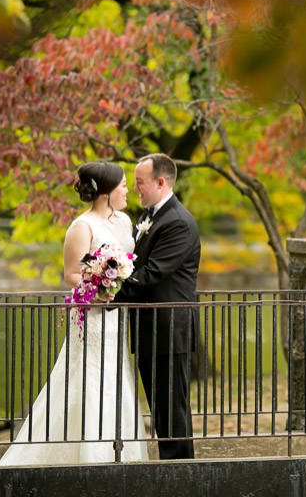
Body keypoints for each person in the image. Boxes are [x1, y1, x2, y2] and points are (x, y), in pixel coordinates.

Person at [0, 162, 149, 465]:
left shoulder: (123, 222)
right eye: (122, 185)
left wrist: (118, 283)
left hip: (115, 318)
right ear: (106, 192)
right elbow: (71, 273)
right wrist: (102, 288)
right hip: (92, 316)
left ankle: (119, 452)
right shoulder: (82, 226)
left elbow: (129, 261)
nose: (128, 190)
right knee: (89, 379)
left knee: (115, 378)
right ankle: (88, 454)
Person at [116, 153, 201, 460]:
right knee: (158, 407)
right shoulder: (148, 217)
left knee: (172, 410)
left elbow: (152, 274)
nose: (136, 188)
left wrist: (109, 295)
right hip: (150, 328)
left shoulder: (177, 222)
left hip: (169, 328)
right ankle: (170, 469)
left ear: (161, 182)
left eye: (140, 182)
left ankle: (180, 472)